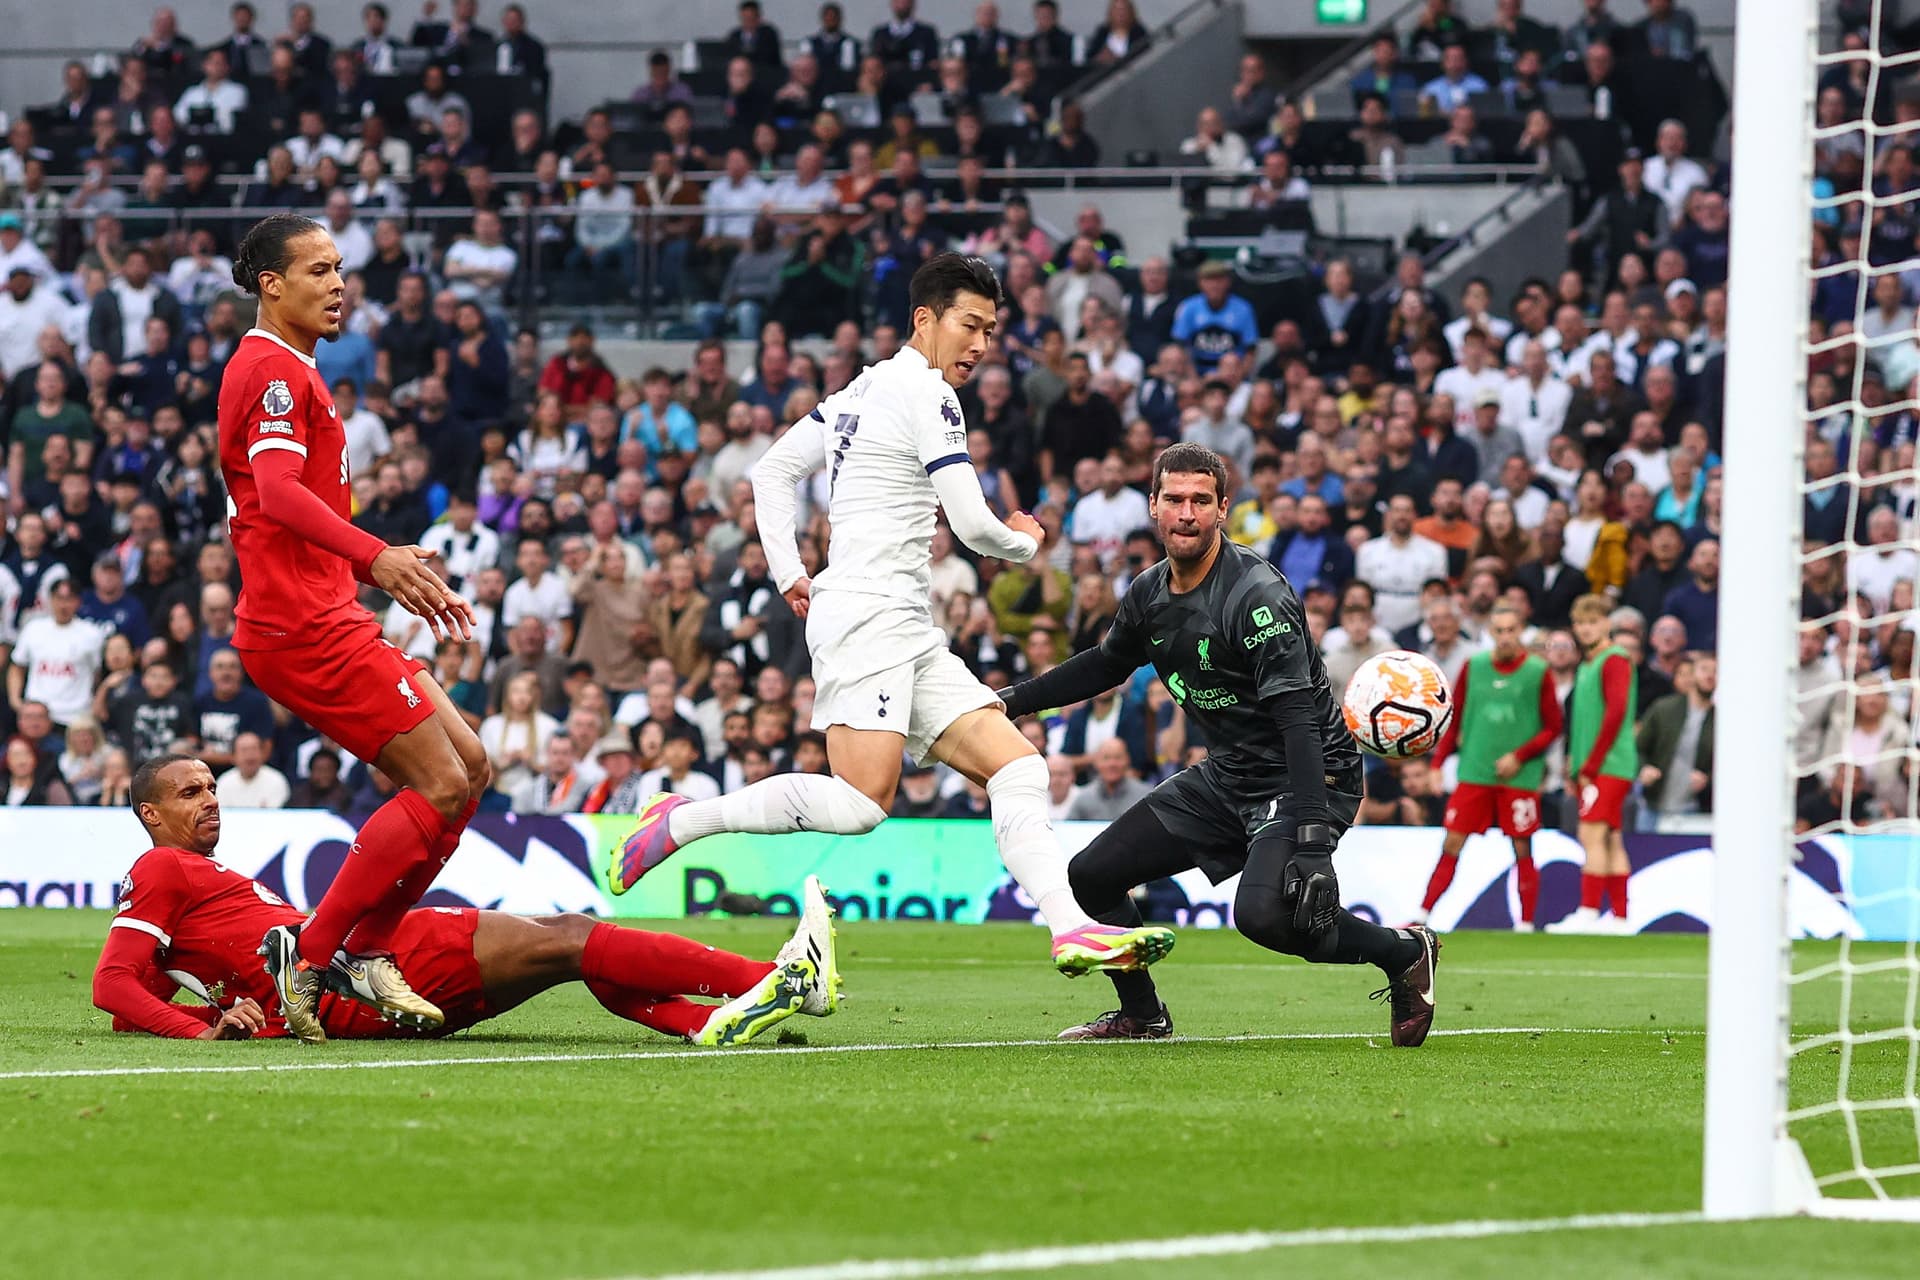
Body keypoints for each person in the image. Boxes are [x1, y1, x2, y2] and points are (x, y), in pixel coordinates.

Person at [612, 254, 1175, 981]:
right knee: (861, 803)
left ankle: (1072, 928)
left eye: (991, 330)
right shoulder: (928, 393)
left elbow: (773, 470)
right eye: (969, 325)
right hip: (868, 615)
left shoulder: (859, 389)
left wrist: (789, 570)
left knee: (1018, 767)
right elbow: (971, 525)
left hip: (902, 623)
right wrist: (1025, 541)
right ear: (924, 319)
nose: (980, 344)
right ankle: (680, 819)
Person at [997, 443, 1439, 1043]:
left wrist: (1313, 843)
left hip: (1309, 774)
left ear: (1222, 509)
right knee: (1092, 876)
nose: (1187, 514)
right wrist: (1007, 701)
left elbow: (1299, 723)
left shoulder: (1256, 595)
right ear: (1153, 506)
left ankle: (1404, 951)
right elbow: (1105, 664)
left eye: (1201, 501)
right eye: (1174, 499)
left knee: (1265, 918)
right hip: (1230, 774)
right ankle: (1143, 1015)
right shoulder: (1149, 593)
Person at [216, 213, 489, 1044]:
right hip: (300, 627)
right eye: (318, 271)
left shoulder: (294, 367)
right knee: (440, 783)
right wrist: (377, 557)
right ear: (272, 285)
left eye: (340, 268)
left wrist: (376, 570)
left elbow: (289, 511)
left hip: (327, 612)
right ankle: (318, 952)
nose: (338, 285)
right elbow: (276, 494)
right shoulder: (270, 370)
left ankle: (365, 950)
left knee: (471, 767)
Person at [93, 755, 839, 1047]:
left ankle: (707, 1020)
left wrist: (217, 1016)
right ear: (150, 814)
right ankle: (774, 981)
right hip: (355, 977)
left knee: (566, 950)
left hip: (350, 983)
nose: (210, 799)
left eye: (212, 787)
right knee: (571, 938)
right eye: (189, 793)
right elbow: (113, 985)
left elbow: (140, 1000)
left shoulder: (193, 876)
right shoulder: (162, 867)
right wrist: (201, 1032)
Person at [1416, 604, 1563, 932]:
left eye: (1511, 630)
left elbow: (1554, 726)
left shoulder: (1538, 671)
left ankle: (1526, 924)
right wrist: (1438, 763)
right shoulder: (1474, 667)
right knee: (1452, 842)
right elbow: (1455, 719)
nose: (1505, 637)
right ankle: (1423, 915)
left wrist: (1519, 756)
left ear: (1521, 631)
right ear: (1490, 633)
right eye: (1499, 630)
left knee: (1522, 846)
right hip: (1475, 771)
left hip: (1519, 776)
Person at [1548, 594, 1639, 933]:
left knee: (1591, 834)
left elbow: (1615, 713)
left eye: (1592, 622)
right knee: (1611, 837)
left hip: (1608, 764)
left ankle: (1588, 911)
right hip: (1598, 764)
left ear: (1606, 623)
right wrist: (1575, 763)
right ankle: (1620, 917)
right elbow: (1585, 720)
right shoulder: (1588, 663)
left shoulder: (1614, 659)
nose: (1585, 629)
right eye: (1580, 623)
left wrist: (1592, 764)